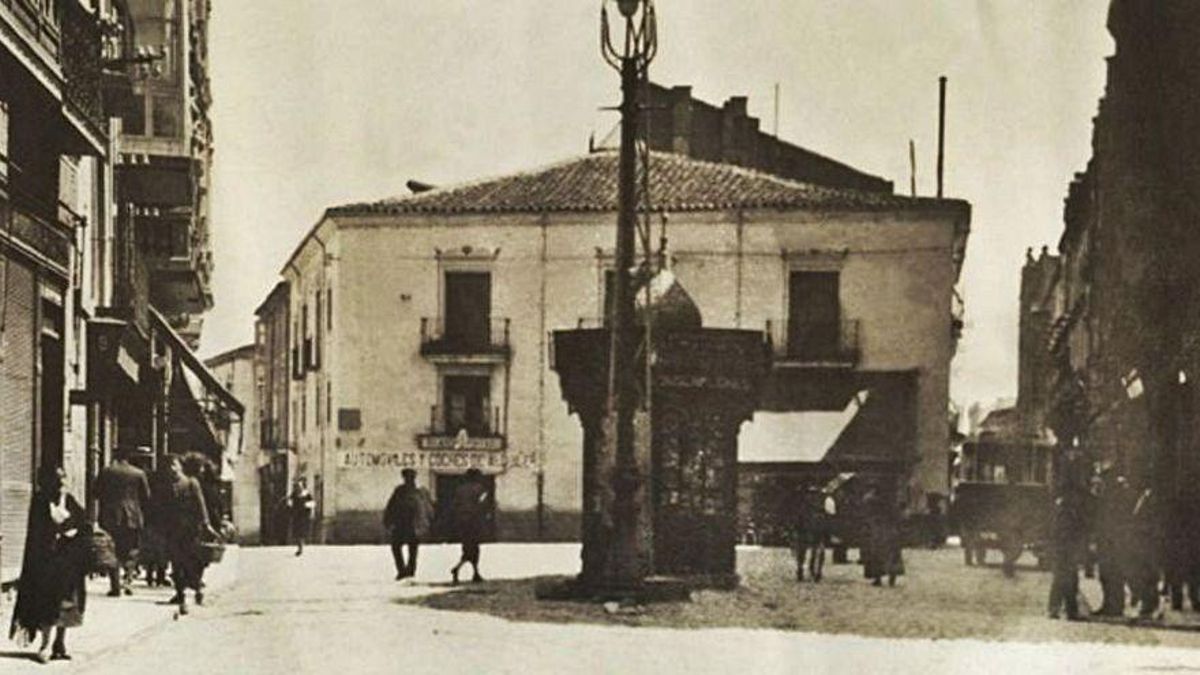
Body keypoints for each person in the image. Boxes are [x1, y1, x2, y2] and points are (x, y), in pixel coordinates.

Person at [9, 465, 91, 663]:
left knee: (67, 604)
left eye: (64, 478)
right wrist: (54, 532)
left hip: (68, 562)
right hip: (47, 563)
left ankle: (60, 644)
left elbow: (84, 523)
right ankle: (45, 644)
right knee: (48, 604)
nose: (62, 483)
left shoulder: (69, 501)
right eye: (58, 479)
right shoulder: (40, 502)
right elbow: (36, 533)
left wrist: (73, 531)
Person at [162, 455, 219, 615]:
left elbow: (201, 505)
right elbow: (161, 509)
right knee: (176, 563)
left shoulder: (191, 483)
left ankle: (197, 590)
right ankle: (180, 596)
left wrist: (206, 525)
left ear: (180, 466)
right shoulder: (166, 486)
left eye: (174, 465)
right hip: (172, 530)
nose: (172, 469)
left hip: (191, 530)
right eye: (169, 466)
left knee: (190, 562)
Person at [96, 446, 152, 597]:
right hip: (132, 517)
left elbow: (96, 493)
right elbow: (146, 497)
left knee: (112, 550)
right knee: (131, 550)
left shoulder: (106, 472)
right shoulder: (139, 473)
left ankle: (115, 586)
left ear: (115, 455)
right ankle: (127, 581)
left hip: (111, 516)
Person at [1093, 472, 1135, 617]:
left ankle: (1115, 606)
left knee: (1114, 574)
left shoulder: (1114, 500)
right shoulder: (1105, 499)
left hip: (1114, 542)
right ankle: (1109, 604)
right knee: (1105, 574)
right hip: (1106, 540)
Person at [383, 468, 434, 580]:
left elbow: (425, 508)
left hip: (410, 524)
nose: (409, 479)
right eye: (407, 477)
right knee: (404, 547)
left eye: (410, 477)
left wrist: (387, 521)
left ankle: (406, 570)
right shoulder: (405, 491)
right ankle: (406, 570)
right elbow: (391, 506)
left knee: (406, 547)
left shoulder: (417, 492)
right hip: (403, 523)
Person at [1047, 492, 1087, 620]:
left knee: (1063, 577)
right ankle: (1069, 610)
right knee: (1067, 577)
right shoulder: (1067, 511)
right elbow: (1069, 531)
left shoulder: (1061, 509)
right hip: (1064, 548)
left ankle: (1057, 608)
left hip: (1061, 548)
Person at [450, 468, 489, 584]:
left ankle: (474, 572)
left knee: (467, 546)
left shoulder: (459, 490)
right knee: (474, 548)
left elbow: (455, 505)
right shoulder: (480, 489)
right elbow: (482, 504)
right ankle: (460, 569)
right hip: (474, 521)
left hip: (462, 522)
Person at [861, 486, 903, 587]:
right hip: (889, 530)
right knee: (891, 555)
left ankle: (878, 578)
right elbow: (896, 516)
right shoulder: (890, 502)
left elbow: (866, 516)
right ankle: (891, 577)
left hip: (877, 530)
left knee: (876, 553)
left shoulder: (869, 501)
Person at [289, 477, 315, 557]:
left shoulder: (307, 494)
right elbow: (290, 502)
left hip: (304, 516)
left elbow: (312, 503)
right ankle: (299, 546)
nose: (299, 487)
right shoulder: (294, 494)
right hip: (296, 516)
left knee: (302, 531)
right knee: (297, 532)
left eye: (300, 485)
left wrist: (305, 505)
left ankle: (301, 547)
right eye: (298, 485)